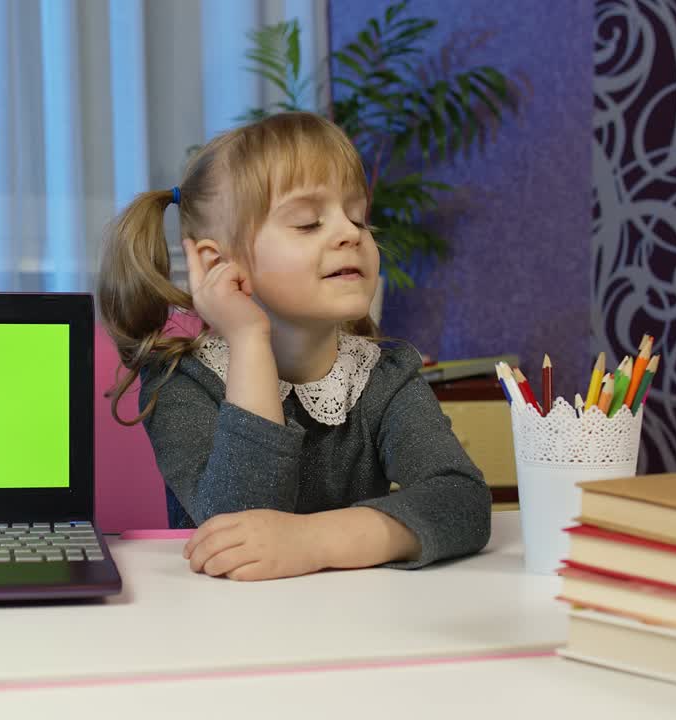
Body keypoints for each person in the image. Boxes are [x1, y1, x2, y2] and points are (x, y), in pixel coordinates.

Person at [97, 112, 489, 581]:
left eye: (358, 217)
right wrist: (247, 339)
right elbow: (237, 531)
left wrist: (314, 541)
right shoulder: (181, 384)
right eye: (307, 223)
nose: (350, 233)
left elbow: (461, 499)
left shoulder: (384, 375)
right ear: (217, 260)